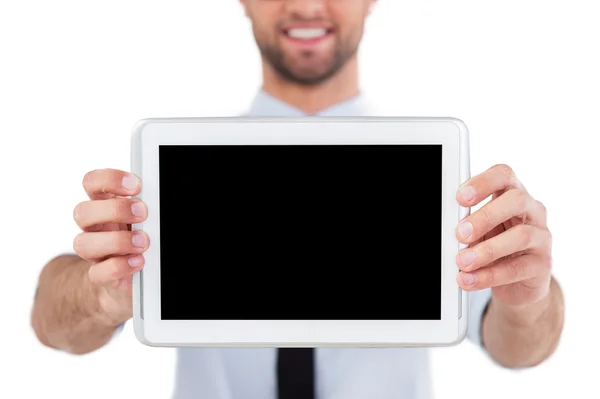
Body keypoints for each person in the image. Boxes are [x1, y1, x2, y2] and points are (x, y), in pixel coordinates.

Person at [31, 1, 565, 398]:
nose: (307, 4)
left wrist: (527, 303)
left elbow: (518, 346)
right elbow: (50, 324)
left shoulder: (435, 181)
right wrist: (97, 296)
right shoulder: (178, 172)